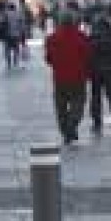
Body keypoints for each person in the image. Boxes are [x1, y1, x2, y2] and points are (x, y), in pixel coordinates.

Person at [45, 12, 92, 146]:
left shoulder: (52, 38)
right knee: (78, 104)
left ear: (60, 22)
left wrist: (57, 64)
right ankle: (71, 126)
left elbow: (49, 58)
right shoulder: (82, 37)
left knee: (61, 107)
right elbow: (88, 56)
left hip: (60, 77)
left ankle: (66, 130)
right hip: (78, 77)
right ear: (73, 22)